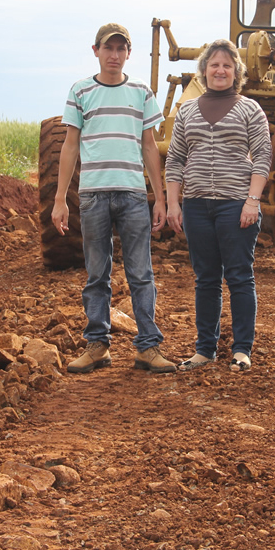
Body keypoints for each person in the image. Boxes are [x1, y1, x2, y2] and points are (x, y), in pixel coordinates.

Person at [52, 23, 176, 374]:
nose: (114, 55)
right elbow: (70, 145)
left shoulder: (140, 92)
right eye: (108, 49)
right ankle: (97, 345)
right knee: (96, 273)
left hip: (133, 195)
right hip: (92, 194)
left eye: (121, 49)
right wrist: (60, 198)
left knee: (141, 273)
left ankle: (148, 348)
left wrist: (159, 198)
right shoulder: (81, 91)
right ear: (96, 51)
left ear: (128, 54)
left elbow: (149, 146)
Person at [165, 39, 272, 372]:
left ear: (236, 71)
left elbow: (263, 157)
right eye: (214, 65)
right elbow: (175, 159)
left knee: (239, 277)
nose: (220, 70)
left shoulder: (250, 109)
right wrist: (172, 203)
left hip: (236, 204)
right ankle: (205, 349)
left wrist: (252, 201)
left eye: (227, 65)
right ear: (204, 71)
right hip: (197, 206)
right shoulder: (187, 110)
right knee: (205, 279)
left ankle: (241, 350)